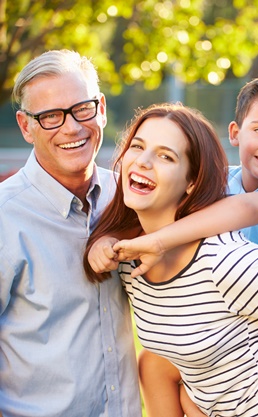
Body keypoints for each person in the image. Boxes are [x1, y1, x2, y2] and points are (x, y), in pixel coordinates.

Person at [88, 76, 258, 417]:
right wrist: (107, 240)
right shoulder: (223, 186)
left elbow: (244, 210)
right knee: (155, 363)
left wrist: (158, 241)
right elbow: (164, 208)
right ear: (235, 132)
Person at [0, 50, 141, 417]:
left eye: (82, 108)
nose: (72, 128)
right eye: (49, 116)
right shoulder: (5, 218)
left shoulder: (129, 197)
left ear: (102, 108)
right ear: (25, 126)